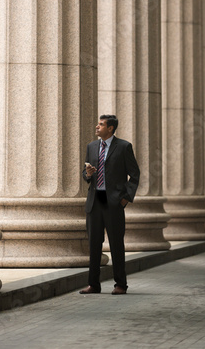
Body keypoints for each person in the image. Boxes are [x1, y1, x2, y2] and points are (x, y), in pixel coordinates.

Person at [79, 114, 140, 295]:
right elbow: (85, 174)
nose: (97, 127)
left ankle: (120, 284)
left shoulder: (124, 147)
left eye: (101, 124)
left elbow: (134, 175)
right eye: (98, 123)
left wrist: (125, 198)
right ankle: (93, 285)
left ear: (111, 128)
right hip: (95, 201)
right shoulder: (92, 146)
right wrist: (88, 174)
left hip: (113, 203)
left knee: (116, 244)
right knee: (94, 245)